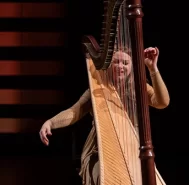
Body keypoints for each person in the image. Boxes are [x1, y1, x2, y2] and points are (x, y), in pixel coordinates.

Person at [39, 47, 170, 185]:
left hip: (133, 149)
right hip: (99, 151)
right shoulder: (96, 90)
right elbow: (74, 111)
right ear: (108, 65)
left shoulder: (139, 88)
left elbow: (162, 102)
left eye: (125, 63)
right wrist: (50, 123)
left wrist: (152, 68)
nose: (120, 66)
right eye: (116, 62)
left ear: (132, 67)